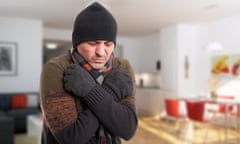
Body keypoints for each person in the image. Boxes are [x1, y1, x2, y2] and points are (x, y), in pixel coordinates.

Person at [39, 2, 138, 144]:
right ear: (77, 43)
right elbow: (72, 138)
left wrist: (90, 91)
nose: (101, 52)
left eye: (108, 44)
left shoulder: (122, 67)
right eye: (92, 43)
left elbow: (127, 129)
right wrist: (112, 91)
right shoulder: (55, 69)